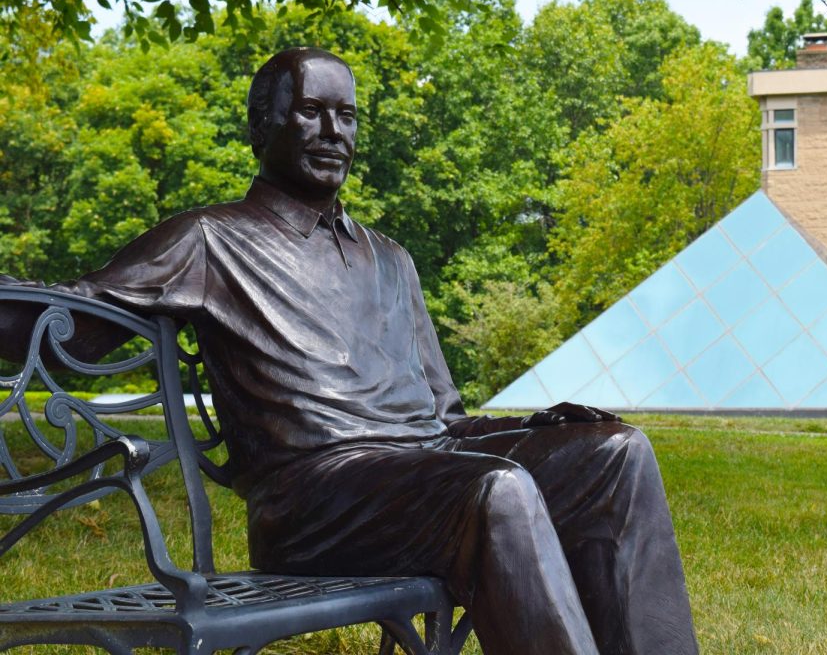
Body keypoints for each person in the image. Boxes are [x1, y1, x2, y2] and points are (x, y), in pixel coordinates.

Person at [0, 48, 698, 655]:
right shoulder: (210, 241)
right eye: (310, 113)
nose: (334, 132)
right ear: (260, 128)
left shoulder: (391, 259)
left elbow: (444, 419)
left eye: (348, 115)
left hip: (420, 476)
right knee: (496, 491)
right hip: (313, 504)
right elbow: (74, 321)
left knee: (615, 453)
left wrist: (549, 429)